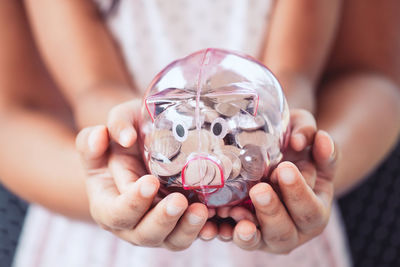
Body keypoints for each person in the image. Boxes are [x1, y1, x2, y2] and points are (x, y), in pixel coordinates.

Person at [0, 0, 399, 266]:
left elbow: (365, 76)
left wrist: (311, 169)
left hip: (286, 236)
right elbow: (79, 94)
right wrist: (115, 164)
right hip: (94, 232)